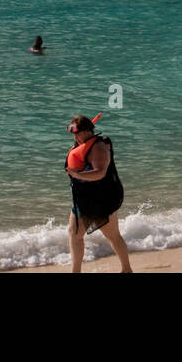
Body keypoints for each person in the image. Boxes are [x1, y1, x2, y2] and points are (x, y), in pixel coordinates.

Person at [65, 115, 131, 273]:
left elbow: (100, 172)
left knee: (112, 235)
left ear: (88, 131)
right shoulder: (85, 143)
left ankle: (126, 269)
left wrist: (78, 175)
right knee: (74, 234)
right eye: (73, 134)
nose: (75, 136)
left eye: (77, 133)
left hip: (101, 199)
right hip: (85, 198)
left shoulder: (98, 147)